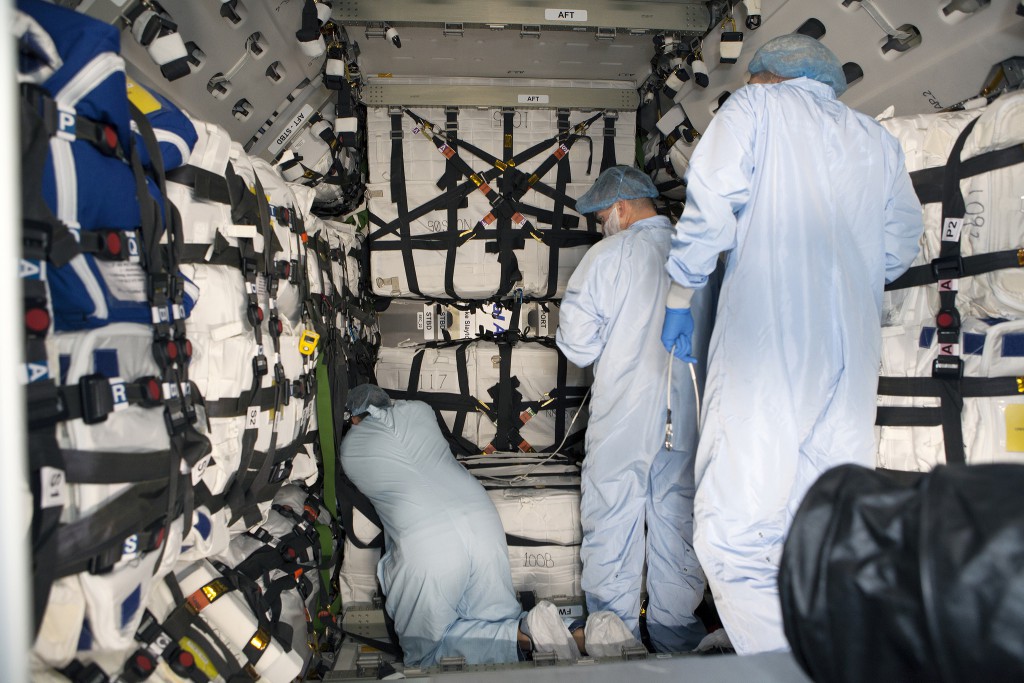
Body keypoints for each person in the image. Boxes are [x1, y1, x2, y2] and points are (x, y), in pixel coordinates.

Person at [661, 34, 924, 654]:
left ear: (763, 77)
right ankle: (819, 649)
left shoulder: (753, 111)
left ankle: (775, 658)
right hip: (852, 355)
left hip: (770, 343)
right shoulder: (875, 140)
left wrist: (680, 295)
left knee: (734, 524)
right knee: (823, 520)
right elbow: (899, 245)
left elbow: (709, 209)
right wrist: (846, 275)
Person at [339, 384, 640, 665]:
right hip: (480, 520)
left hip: (427, 546)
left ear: (354, 419)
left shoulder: (351, 450)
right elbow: (397, 415)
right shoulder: (421, 412)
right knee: (495, 616)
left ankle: (529, 637)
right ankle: (577, 635)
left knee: (426, 654)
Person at [556, 165, 712, 653]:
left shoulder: (608, 257)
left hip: (625, 413)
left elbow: (577, 347)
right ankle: (676, 633)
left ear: (621, 208)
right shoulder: (705, 255)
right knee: (679, 520)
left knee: (613, 517)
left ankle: (612, 637)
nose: (604, 225)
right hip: (690, 415)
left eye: (603, 216)